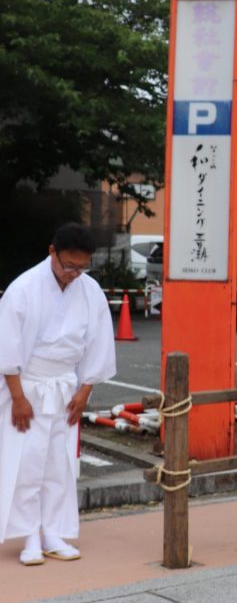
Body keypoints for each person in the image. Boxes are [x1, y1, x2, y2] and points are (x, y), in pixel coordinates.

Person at [0, 223, 116, 566]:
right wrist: (18, 398)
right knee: (26, 462)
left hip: (66, 387)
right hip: (28, 385)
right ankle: (29, 535)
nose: (74, 273)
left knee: (59, 464)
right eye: (69, 266)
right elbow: (7, 347)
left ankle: (53, 532)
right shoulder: (23, 288)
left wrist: (85, 390)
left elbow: (98, 343)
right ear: (52, 252)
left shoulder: (90, 291)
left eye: (82, 267)